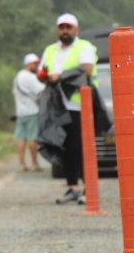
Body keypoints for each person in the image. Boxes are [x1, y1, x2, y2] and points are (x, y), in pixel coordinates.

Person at [37, 13, 97, 205]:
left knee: (80, 148)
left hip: (79, 106)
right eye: (61, 27)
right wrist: (45, 76)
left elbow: (86, 70)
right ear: (57, 30)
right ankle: (72, 187)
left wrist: (59, 76)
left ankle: (90, 188)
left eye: (68, 27)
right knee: (62, 147)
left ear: (76, 29)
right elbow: (42, 73)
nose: (65, 31)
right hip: (57, 106)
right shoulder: (50, 50)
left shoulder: (84, 47)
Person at [12, 52, 44, 172]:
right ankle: (34, 163)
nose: (36, 66)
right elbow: (41, 90)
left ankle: (21, 164)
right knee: (32, 138)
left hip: (20, 112)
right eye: (35, 63)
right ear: (29, 64)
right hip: (32, 111)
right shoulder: (30, 77)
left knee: (20, 137)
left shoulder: (18, 76)